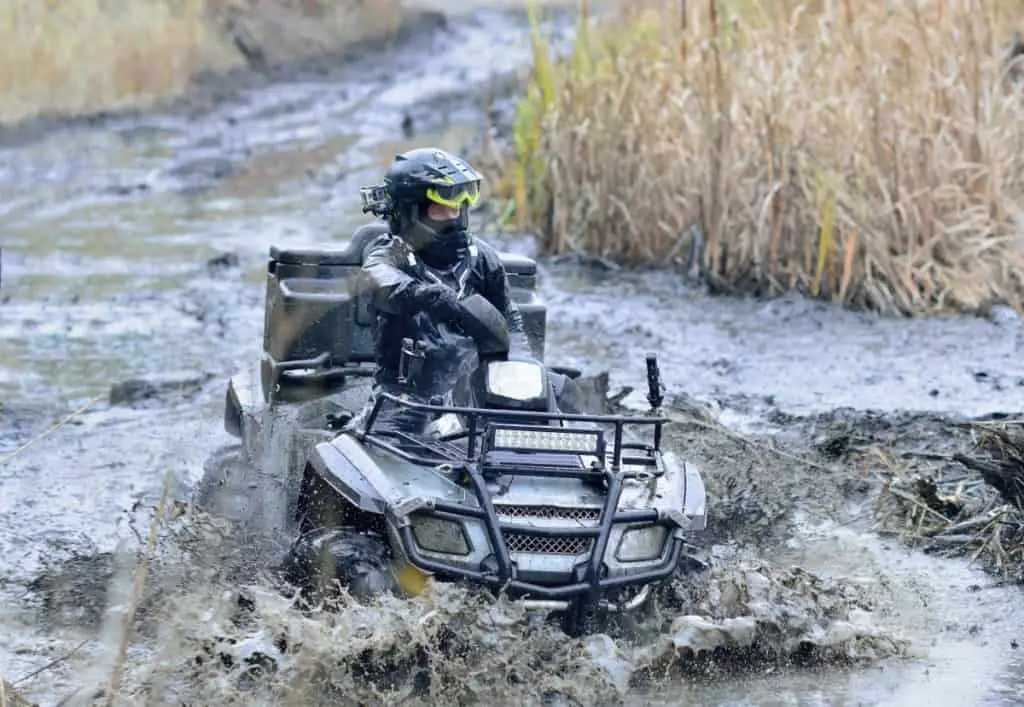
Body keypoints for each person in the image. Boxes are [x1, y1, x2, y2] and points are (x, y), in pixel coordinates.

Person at [351, 147, 533, 436]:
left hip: (476, 392)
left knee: (545, 414)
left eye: (459, 207)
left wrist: (522, 371)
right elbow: (379, 282)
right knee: (380, 453)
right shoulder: (387, 255)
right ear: (411, 210)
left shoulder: (482, 258)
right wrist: (425, 295)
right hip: (406, 399)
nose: (454, 216)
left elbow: (510, 323)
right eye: (441, 208)